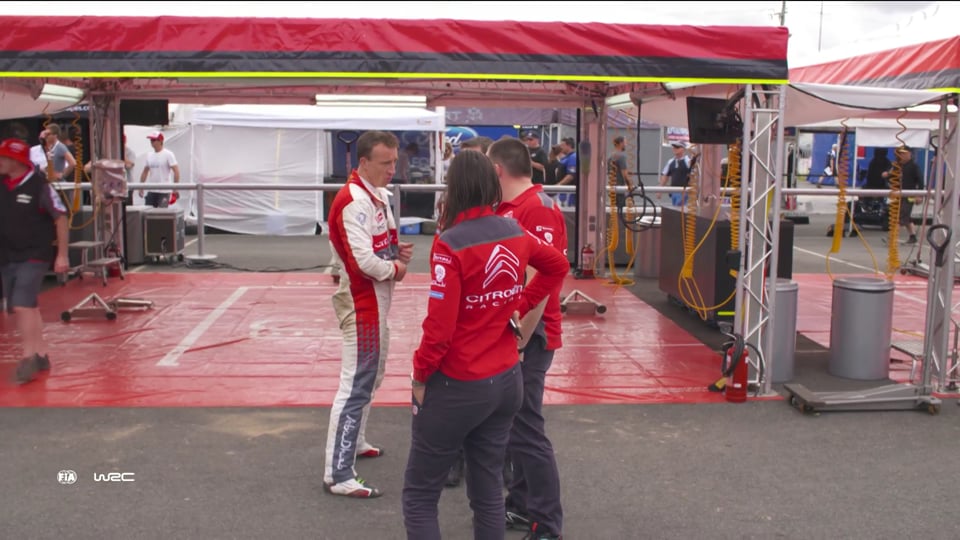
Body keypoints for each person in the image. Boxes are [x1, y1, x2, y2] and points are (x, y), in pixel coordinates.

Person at [402, 149, 570, 540]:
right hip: (505, 377)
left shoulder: (451, 244)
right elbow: (558, 266)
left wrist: (420, 375)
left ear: (453, 188)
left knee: (420, 494)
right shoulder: (513, 230)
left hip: (460, 381)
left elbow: (439, 330)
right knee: (488, 490)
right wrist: (517, 304)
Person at [323, 130, 414, 498]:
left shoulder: (373, 195)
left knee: (370, 377)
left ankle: (355, 442)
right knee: (356, 383)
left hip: (373, 304)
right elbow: (362, 262)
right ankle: (338, 472)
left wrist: (394, 252)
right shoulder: (354, 201)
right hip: (362, 304)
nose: (393, 169)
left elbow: (375, 248)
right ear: (364, 162)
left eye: (395, 161)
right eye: (385, 163)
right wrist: (396, 268)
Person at [488, 137, 568, 540]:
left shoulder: (534, 209)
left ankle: (547, 522)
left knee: (526, 428)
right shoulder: (519, 207)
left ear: (498, 170)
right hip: (522, 332)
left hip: (530, 336)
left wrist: (519, 341)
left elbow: (541, 279)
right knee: (516, 426)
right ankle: (522, 506)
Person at [0, 138, 69, 384]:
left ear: (15, 161)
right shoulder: (2, 185)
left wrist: (62, 254)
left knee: (21, 304)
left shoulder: (40, 187)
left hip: (35, 254)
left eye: (3, 157)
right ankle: (40, 354)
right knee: (25, 304)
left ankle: (28, 357)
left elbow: (60, 218)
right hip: (7, 255)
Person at [882, 145, 922, 244]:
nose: (902, 155)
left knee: (900, 216)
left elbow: (920, 181)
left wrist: (919, 195)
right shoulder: (896, 166)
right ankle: (912, 237)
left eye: (904, 153)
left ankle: (891, 238)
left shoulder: (913, 166)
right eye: (900, 154)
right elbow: (891, 178)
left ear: (909, 154)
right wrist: (886, 175)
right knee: (906, 217)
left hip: (909, 195)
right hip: (898, 194)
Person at [139, 131, 180, 208]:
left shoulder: (168, 154)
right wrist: (141, 187)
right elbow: (145, 172)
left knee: (162, 214)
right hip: (152, 190)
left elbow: (176, 171)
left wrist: (175, 188)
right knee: (148, 213)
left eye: (153, 140)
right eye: (151, 140)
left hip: (164, 191)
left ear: (160, 141)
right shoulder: (149, 155)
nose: (151, 142)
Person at [659, 141, 691, 206]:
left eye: (677, 147)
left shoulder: (688, 161)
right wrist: (660, 190)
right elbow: (665, 176)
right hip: (674, 191)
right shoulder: (670, 162)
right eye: (674, 147)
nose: (674, 149)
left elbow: (693, 175)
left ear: (683, 149)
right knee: (675, 208)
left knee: (681, 210)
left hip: (684, 192)